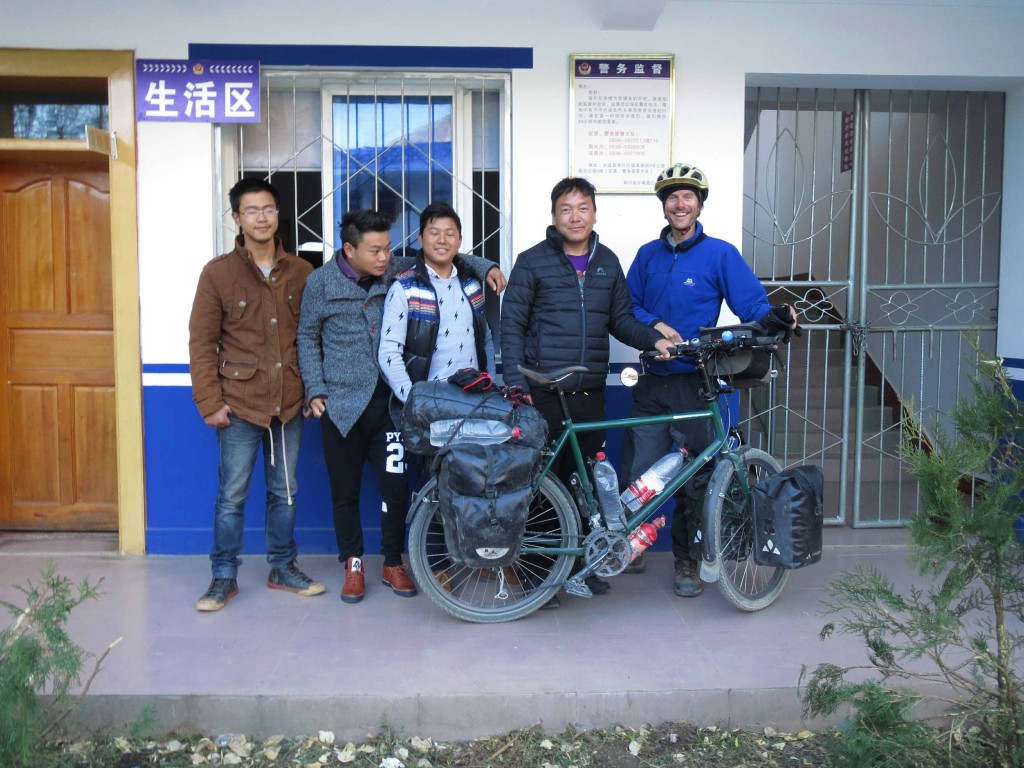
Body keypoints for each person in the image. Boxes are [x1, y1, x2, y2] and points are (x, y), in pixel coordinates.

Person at [297, 208, 505, 604]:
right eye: (375, 250)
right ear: (349, 249)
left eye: (388, 248)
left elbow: (446, 255)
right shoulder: (321, 283)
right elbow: (307, 337)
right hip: (340, 405)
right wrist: (315, 389)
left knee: (396, 488)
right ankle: (353, 562)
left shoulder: (395, 269)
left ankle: (394, 562)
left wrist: (488, 265)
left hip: (389, 404)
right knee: (345, 490)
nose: (385, 257)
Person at [622, 162, 798, 597]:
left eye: (688, 196)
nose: (680, 204)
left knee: (694, 478)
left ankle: (687, 559)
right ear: (663, 205)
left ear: (699, 204)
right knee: (640, 472)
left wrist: (774, 317)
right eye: (672, 196)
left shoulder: (719, 253)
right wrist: (655, 325)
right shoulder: (647, 255)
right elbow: (626, 308)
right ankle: (632, 543)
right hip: (650, 381)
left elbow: (751, 304)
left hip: (694, 384)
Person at [500, 177, 675, 602]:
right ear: (554, 215)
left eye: (582, 208)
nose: (574, 216)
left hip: (589, 392)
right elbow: (511, 326)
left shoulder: (607, 262)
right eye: (566, 208)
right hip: (543, 392)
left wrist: (653, 338)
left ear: (594, 213)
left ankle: (581, 567)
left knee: (586, 485)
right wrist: (516, 383)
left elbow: (620, 320)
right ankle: (541, 575)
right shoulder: (532, 261)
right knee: (545, 484)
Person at [188, 178, 326, 612]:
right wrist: (210, 403)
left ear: (277, 214)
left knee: (285, 491)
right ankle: (223, 576)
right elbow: (201, 341)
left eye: (268, 209)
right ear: (236, 218)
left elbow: (313, 336)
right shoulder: (218, 273)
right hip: (240, 404)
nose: (262, 217)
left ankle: (283, 567)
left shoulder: (303, 271)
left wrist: (311, 389)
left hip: (289, 403)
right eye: (252, 210)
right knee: (232, 495)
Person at [378, 202, 494, 405]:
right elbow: (389, 352)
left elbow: (486, 341)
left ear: (459, 241)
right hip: (428, 405)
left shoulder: (471, 285)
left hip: (474, 400)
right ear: (421, 238)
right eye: (434, 233)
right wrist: (414, 401)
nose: (442, 240)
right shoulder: (405, 288)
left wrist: (490, 387)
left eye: (450, 233)